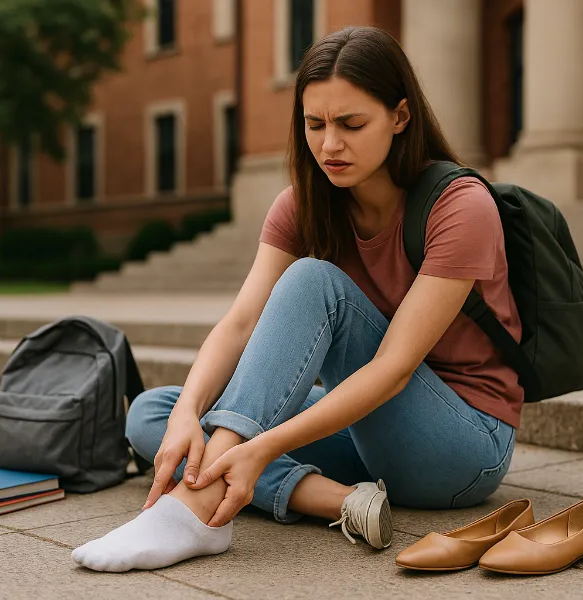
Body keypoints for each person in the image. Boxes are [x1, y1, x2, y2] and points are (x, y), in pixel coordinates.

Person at [71, 25, 522, 573]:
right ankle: (342, 501)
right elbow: (240, 323)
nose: (330, 145)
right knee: (156, 416)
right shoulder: (304, 204)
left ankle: (195, 510)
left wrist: (258, 447)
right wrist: (191, 412)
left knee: (314, 281)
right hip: (365, 433)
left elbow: (394, 368)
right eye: (315, 125)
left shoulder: (461, 205)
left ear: (400, 118)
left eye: (351, 124)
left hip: (458, 447)